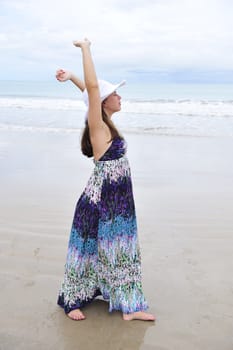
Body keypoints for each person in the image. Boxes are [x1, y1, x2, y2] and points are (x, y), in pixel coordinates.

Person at [56, 38, 155, 322]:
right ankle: (72, 300)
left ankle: (129, 306)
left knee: (121, 248)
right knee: (87, 247)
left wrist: (73, 77)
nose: (120, 97)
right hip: (100, 201)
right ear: (104, 101)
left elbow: (90, 92)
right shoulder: (97, 128)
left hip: (119, 202)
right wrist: (86, 49)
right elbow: (94, 91)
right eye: (116, 94)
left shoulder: (106, 122)